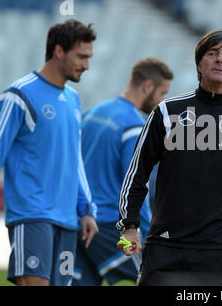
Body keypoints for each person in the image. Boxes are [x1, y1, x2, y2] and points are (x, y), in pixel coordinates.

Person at [116, 29, 222, 286]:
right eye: (212, 53)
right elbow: (137, 173)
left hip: (218, 250)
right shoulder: (166, 112)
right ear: (199, 65)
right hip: (164, 245)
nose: (219, 59)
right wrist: (129, 226)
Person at [0, 19, 98, 286]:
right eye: (81, 56)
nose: (87, 65)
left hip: (67, 220)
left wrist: (86, 209)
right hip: (32, 216)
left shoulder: (74, 100)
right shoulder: (19, 95)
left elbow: (75, 159)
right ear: (58, 51)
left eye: (89, 57)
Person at [73, 57, 173, 285]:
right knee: (158, 278)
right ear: (147, 86)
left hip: (78, 220)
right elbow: (137, 185)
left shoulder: (93, 113)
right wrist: (146, 233)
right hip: (108, 226)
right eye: (162, 93)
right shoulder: (134, 126)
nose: (161, 101)